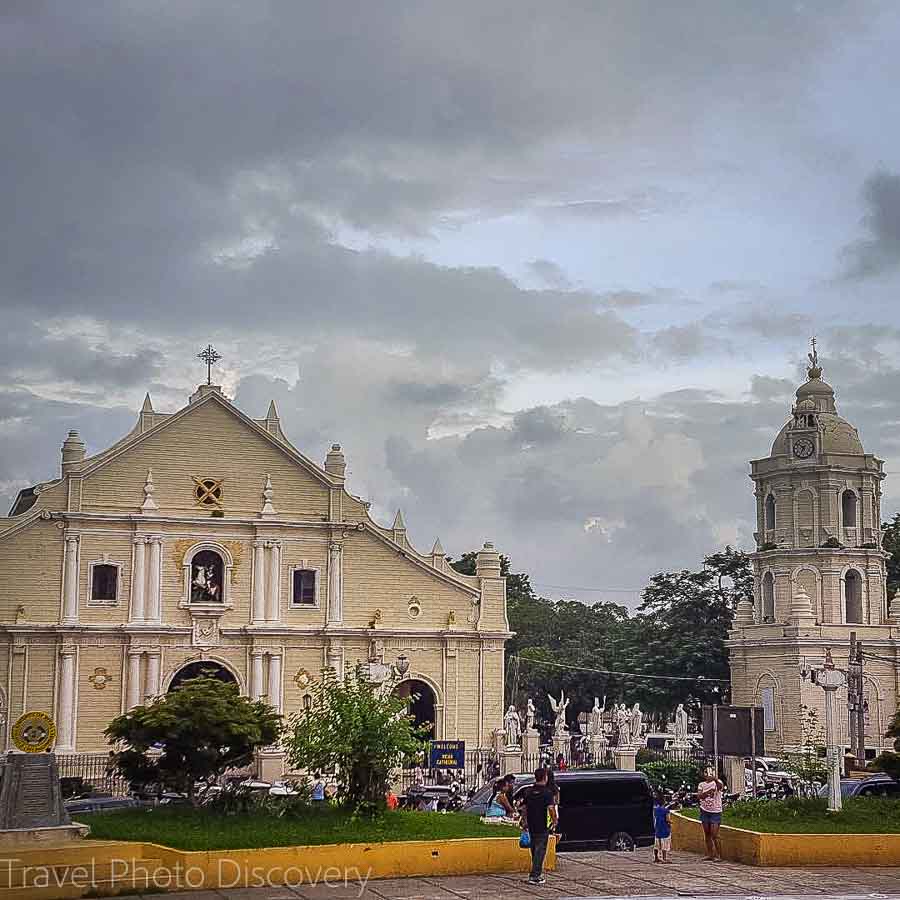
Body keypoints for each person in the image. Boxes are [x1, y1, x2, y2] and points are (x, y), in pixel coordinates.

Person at [520, 767, 558, 885]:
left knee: (534, 850)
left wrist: (524, 821)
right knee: (540, 851)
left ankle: (536, 872)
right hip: (542, 825)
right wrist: (555, 820)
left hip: (531, 824)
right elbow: (551, 809)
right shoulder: (547, 793)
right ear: (545, 777)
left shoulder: (529, 792)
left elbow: (524, 808)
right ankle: (535, 875)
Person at [697, 767, 725, 861]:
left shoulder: (717, 783)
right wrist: (707, 792)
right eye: (705, 772)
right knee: (707, 833)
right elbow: (700, 796)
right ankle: (710, 854)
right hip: (705, 810)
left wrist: (715, 779)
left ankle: (719, 855)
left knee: (714, 834)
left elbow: (720, 787)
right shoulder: (701, 784)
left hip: (715, 811)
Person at [653, 792, 672, 863]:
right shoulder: (666, 810)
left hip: (658, 828)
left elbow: (655, 818)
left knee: (657, 844)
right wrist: (671, 822)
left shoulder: (656, 810)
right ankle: (664, 858)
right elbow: (667, 819)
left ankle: (656, 857)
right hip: (664, 828)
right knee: (665, 843)